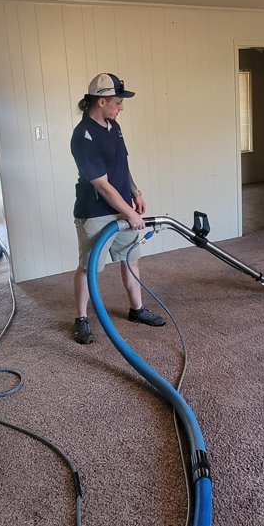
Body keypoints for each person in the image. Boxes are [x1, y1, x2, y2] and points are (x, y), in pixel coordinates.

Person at [70, 72, 166, 344]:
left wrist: (135, 192)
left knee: (130, 257)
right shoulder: (83, 136)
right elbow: (102, 185)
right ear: (101, 102)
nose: (121, 107)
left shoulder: (114, 127)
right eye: (118, 102)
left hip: (122, 205)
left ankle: (137, 309)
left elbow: (122, 165)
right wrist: (131, 213)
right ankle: (81, 319)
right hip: (95, 212)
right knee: (89, 266)